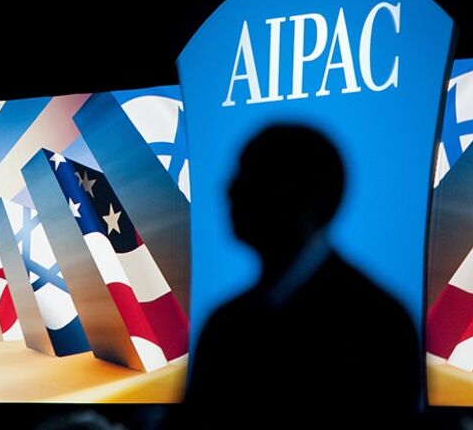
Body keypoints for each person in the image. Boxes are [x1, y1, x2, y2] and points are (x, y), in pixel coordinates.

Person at [180, 125, 419, 427]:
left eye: (251, 175)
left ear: (306, 194)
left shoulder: (380, 324)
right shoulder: (224, 324)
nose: (229, 190)